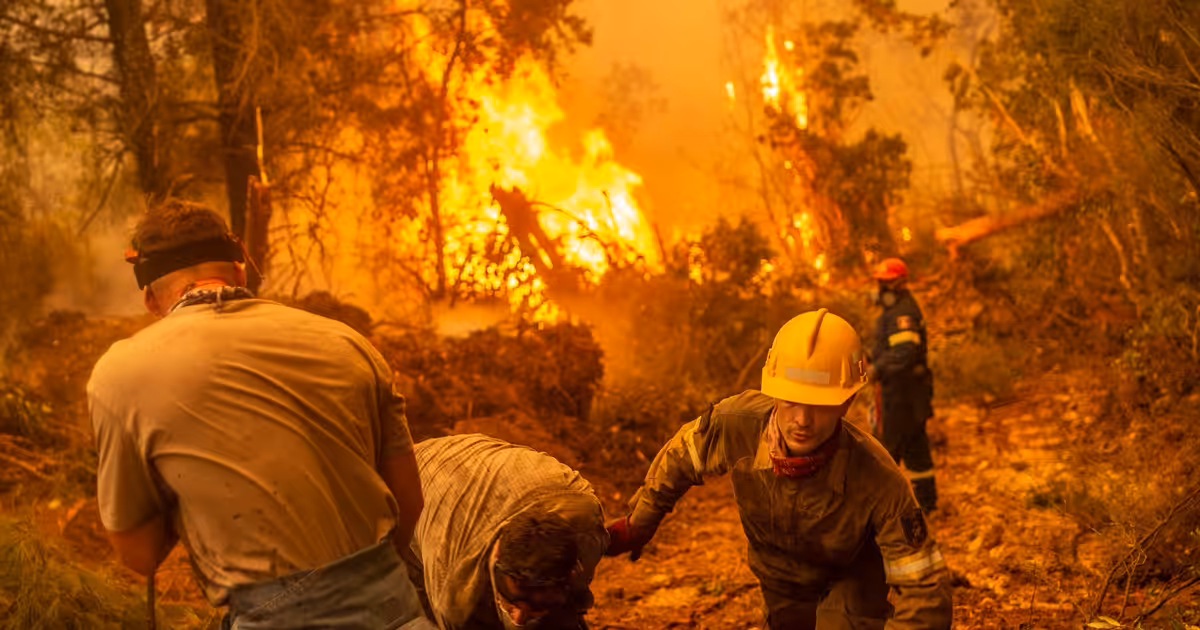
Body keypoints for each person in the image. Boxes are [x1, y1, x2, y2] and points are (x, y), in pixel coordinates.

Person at [87, 199, 435, 629]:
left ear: (150, 298)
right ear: (239, 270)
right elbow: (410, 501)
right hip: (396, 607)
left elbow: (139, 554)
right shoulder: (347, 343)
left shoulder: (121, 374)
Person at [605, 308, 953, 629]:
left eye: (819, 404)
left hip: (851, 582)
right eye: (790, 400)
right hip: (780, 582)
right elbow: (679, 458)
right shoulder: (734, 425)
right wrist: (639, 523)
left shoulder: (877, 477)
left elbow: (924, 590)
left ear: (846, 401)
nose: (802, 420)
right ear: (772, 390)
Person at [405, 434, 607, 630]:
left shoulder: (587, 530)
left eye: (536, 607)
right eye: (511, 600)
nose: (519, 618)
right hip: (405, 487)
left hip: (502, 480)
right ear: (497, 554)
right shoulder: (455, 596)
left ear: (572, 573)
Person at [869, 257, 938, 514]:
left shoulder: (902, 313)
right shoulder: (895, 311)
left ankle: (880, 510)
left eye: (882, 283)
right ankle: (928, 505)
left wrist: (878, 368)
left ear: (896, 284)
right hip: (910, 395)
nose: (878, 289)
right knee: (916, 449)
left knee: (887, 452)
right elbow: (893, 349)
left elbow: (905, 352)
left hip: (902, 396)